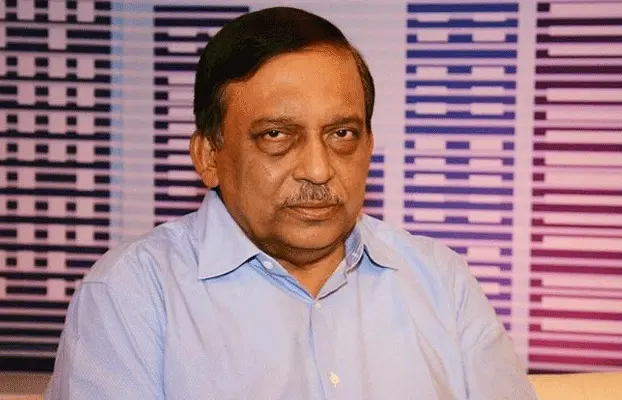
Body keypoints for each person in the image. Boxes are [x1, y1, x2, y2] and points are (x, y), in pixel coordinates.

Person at [46, 7, 537, 399]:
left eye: (342, 134)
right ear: (209, 156)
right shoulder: (132, 295)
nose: (318, 170)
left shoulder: (440, 282)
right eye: (277, 135)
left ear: (369, 147)